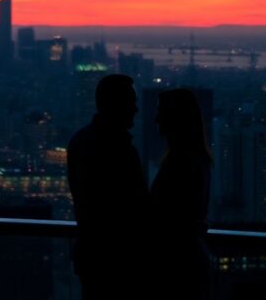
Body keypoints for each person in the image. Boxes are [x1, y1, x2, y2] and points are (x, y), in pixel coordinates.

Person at [67, 74, 149, 299]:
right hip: (119, 259)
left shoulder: (79, 141)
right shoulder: (120, 150)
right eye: (131, 102)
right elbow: (138, 206)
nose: (136, 109)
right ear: (117, 105)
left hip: (90, 255)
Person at [149, 88, 212, 299]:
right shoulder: (196, 160)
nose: (156, 118)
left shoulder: (180, 163)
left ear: (176, 118)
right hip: (190, 262)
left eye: (161, 112)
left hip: (176, 265)